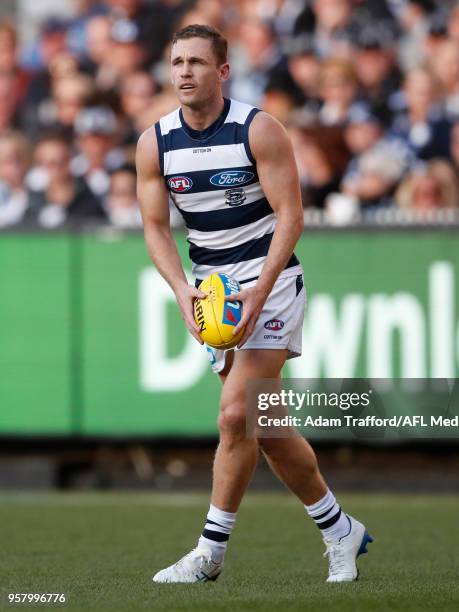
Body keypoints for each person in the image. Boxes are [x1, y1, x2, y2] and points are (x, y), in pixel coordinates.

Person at [136, 23, 372, 585]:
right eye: (177, 63)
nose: (184, 72)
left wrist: (260, 290)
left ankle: (209, 554)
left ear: (222, 72)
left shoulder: (258, 130)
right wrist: (181, 289)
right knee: (265, 428)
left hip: (269, 282)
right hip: (212, 294)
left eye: (196, 62)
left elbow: (292, 218)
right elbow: (153, 227)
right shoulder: (155, 142)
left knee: (234, 415)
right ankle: (341, 530)